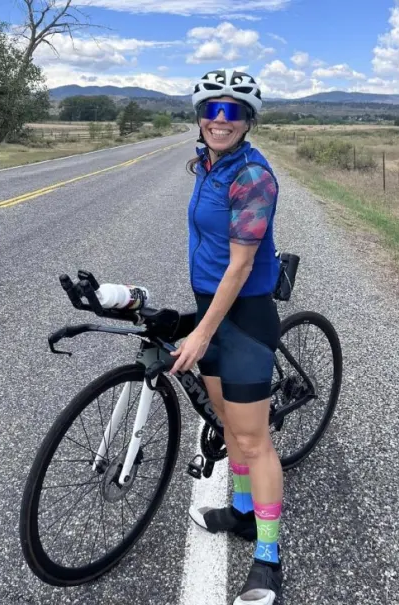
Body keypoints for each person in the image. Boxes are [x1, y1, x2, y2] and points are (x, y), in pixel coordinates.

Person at [170, 69, 284, 605]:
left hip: (242, 317)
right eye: (211, 109)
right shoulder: (208, 165)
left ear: (248, 120)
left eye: (233, 111)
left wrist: (200, 333)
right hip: (208, 310)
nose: (220, 119)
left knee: (252, 441)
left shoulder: (253, 178)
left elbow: (239, 268)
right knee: (226, 423)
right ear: (199, 116)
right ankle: (240, 512)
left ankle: (268, 559)